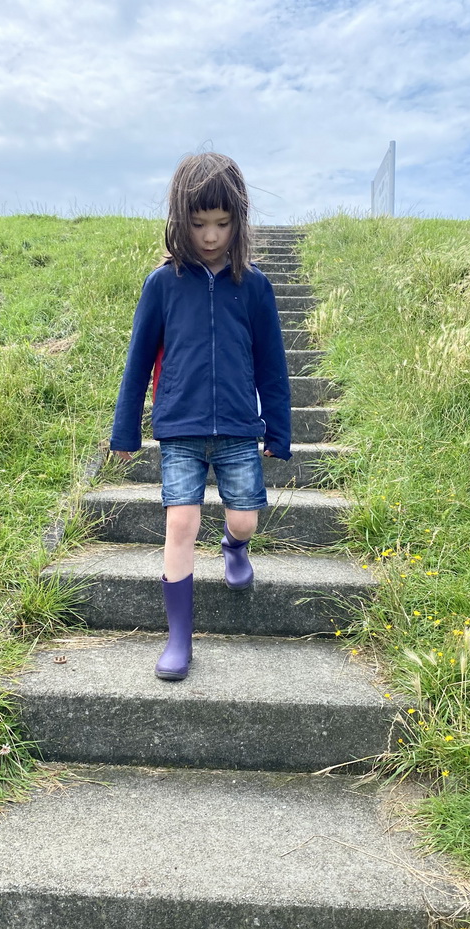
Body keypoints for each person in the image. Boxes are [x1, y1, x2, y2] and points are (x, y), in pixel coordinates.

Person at [110, 152, 291, 682]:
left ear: (238, 221)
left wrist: (277, 428)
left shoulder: (253, 286)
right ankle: (179, 639)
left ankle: (234, 547)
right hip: (180, 430)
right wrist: (127, 430)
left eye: (222, 223)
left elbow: (273, 363)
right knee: (180, 523)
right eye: (198, 223)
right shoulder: (161, 285)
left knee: (245, 519)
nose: (210, 236)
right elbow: (138, 361)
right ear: (179, 220)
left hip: (238, 428)